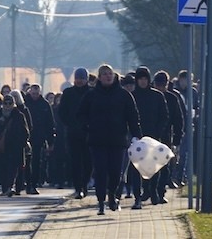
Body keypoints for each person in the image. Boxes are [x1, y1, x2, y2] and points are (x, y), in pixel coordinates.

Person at [77, 64, 141, 215]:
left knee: (115, 172)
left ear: (114, 76)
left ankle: (112, 196)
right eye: (104, 74)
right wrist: (87, 127)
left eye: (110, 74)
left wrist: (136, 135)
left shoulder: (124, 95)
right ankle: (100, 202)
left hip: (117, 140)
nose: (107, 76)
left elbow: (133, 116)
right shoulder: (91, 95)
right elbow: (80, 115)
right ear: (99, 77)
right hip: (97, 140)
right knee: (100, 171)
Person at [125, 66, 169, 209]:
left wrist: (158, 132)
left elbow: (164, 116)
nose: (143, 82)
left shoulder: (157, 96)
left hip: (154, 136)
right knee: (135, 168)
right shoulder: (131, 96)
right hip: (137, 137)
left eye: (145, 79)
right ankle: (137, 196)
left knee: (154, 166)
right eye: (140, 79)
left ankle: (153, 190)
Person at [152, 70, 186, 204]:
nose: (160, 87)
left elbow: (178, 119)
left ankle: (161, 192)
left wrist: (177, 137)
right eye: (158, 84)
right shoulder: (151, 96)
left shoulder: (172, 98)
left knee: (164, 166)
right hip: (151, 136)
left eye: (162, 85)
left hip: (166, 136)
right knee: (150, 165)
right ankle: (150, 190)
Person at [23, 84, 55, 194]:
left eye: (37, 93)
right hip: (26, 137)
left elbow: (50, 124)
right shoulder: (25, 103)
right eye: (33, 93)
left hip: (39, 138)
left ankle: (34, 184)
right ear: (29, 92)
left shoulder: (45, 105)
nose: (35, 96)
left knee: (36, 162)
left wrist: (50, 141)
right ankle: (26, 183)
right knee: (26, 162)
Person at [0, 92, 31, 196]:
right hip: (3, 147)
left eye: (10, 103)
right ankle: (5, 188)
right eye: (5, 103)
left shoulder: (19, 115)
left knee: (13, 168)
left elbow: (26, 131)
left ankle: (10, 187)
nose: (7, 105)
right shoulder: (0, 114)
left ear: (14, 104)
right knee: (2, 168)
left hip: (16, 147)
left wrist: (21, 143)